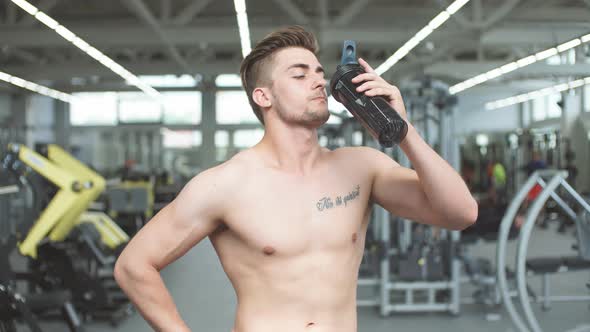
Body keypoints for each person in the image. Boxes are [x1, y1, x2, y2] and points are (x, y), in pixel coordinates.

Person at [113, 26, 478, 332]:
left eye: (320, 73)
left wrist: (402, 131)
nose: (319, 82)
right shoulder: (224, 185)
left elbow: (461, 213)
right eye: (300, 74)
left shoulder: (362, 167)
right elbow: (133, 267)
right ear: (263, 96)